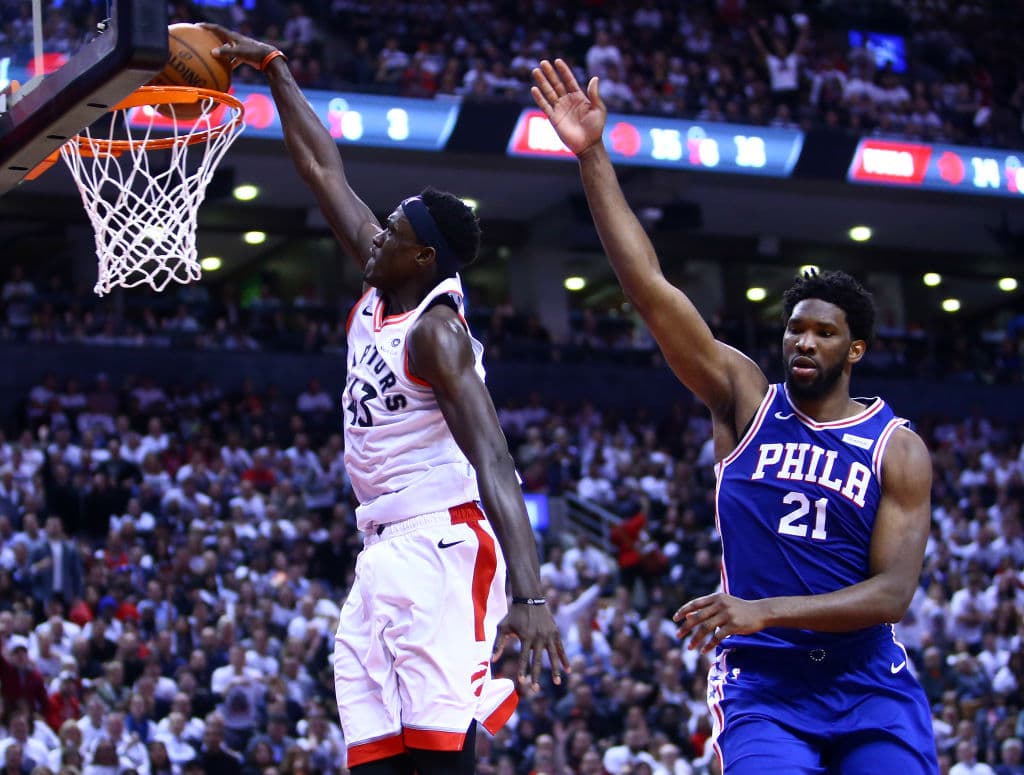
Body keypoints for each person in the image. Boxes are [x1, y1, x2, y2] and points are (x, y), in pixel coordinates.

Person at [531, 59, 937, 774]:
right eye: (796, 328)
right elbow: (650, 289)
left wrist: (763, 607)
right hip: (764, 685)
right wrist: (592, 155)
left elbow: (893, 594)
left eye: (825, 332)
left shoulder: (895, 448)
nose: (804, 340)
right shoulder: (744, 399)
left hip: (869, 680)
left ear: (858, 348)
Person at [203, 24, 568, 775]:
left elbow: (496, 459)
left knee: (436, 759)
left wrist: (530, 595)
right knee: (371, 756)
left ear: (424, 256)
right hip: (383, 548)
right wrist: (273, 69)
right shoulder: (382, 282)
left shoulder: (439, 335)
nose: (374, 237)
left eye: (392, 233)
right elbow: (322, 170)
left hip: (442, 543)